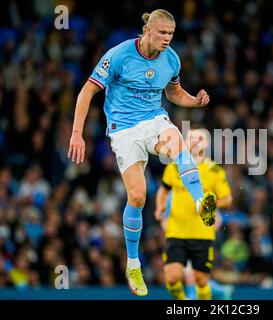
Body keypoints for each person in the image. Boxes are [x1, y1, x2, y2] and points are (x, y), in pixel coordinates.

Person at [68, 9, 218, 297]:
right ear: (148, 30)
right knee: (137, 195)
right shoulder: (120, 55)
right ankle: (133, 263)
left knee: (176, 142)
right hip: (123, 128)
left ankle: (202, 202)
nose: (167, 39)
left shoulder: (171, 59)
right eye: (162, 33)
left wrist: (195, 102)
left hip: (153, 120)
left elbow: (173, 93)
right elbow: (86, 92)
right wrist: (77, 133)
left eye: (171, 35)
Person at [155, 128, 233, 300]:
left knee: (201, 281)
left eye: (200, 138)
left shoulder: (215, 170)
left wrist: (210, 205)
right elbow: (164, 189)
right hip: (176, 230)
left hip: (202, 233)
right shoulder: (174, 166)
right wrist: (160, 206)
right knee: (172, 277)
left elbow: (227, 199)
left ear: (207, 144)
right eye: (190, 137)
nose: (195, 141)